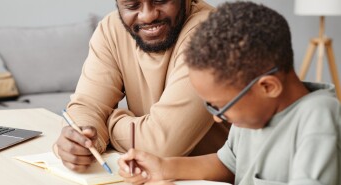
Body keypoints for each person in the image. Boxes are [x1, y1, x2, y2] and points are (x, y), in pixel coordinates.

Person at [117, 2, 341, 184]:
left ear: (268, 87)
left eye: (221, 107)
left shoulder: (319, 118)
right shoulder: (253, 116)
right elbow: (227, 165)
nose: (217, 117)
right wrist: (163, 167)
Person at [54, 0, 231, 172]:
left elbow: (162, 145)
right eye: (132, 5)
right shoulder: (112, 28)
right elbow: (86, 106)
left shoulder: (212, 34)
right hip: (145, 176)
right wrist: (81, 139)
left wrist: (108, 123)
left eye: (160, 1)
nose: (148, 16)